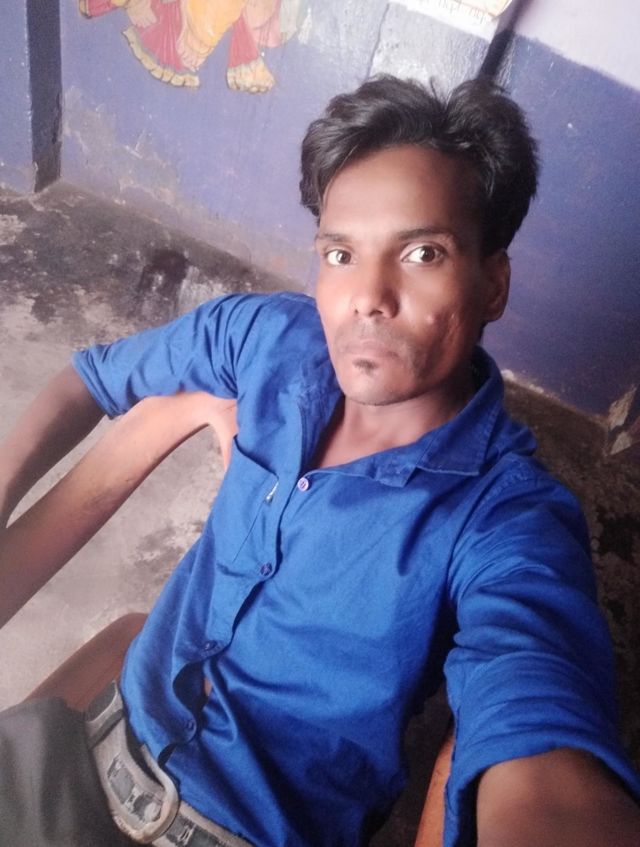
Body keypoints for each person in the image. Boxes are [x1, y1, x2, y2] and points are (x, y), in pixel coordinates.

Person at [1, 75, 639, 847]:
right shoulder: (267, 339)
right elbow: (91, 380)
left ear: (492, 283)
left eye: (422, 252)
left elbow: (540, 725)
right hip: (72, 753)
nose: (367, 296)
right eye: (340, 253)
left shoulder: (505, 520)